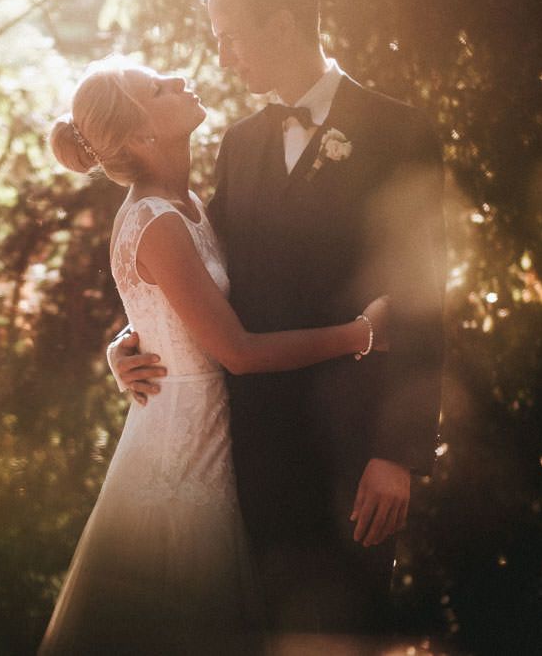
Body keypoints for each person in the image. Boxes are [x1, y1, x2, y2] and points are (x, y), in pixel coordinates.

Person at [109, 0, 446, 640]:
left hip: (356, 462)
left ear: (282, 25)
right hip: (252, 458)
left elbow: (424, 294)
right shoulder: (239, 144)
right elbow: (201, 271)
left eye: (230, 33)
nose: (224, 55)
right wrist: (124, 340)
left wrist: (398, 451)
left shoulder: (401, 131)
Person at [39, 57, 391, 655]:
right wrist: (359, 334)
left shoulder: (190, 204)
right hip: (182, 456)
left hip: (216, 436)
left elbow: (170, 309)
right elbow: (239, 352)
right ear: (141, 135)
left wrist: (126, 341)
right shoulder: (156, 220)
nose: (179, 80)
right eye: (158, 88)